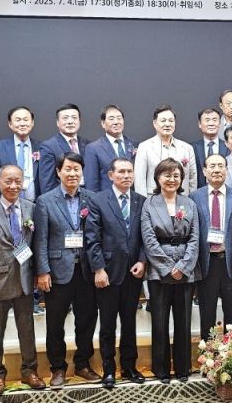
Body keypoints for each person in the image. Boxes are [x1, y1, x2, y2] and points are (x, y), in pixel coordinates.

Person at [0, 165, 46, 395]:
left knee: (27, 330)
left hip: (24, 279)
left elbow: (36, 243)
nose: (13, 186)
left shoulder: (31, 208)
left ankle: (30, 371)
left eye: (17, 181)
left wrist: (37, 273)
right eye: (8, 181)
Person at [34, 152, 101, 387]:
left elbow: (97, 235)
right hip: (57, 271)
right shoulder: (45, 201)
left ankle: (83, 364)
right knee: (55, 323)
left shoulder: (92, 199)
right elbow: (40, 240)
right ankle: (57, 368)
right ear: (58, 172)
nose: (72, 173)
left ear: (82, 172)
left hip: (86, 271)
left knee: (87, 320)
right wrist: (42, 271)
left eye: (76, 169)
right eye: (68, 169)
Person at [84, 158, 149, 388]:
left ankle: (129, 366)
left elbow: (146, 236)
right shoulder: (98, 200)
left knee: (129, 323)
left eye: (130, 171)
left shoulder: (141, 201)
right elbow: (92, 238)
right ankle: (109, 369)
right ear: (111, 175)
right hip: (108, 273)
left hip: (133, 272)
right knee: (108, 324)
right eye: (121, 171)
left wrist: (143, 261)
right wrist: (98, 269)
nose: (126, 175)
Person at [140, 158, 201, 384]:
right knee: (160, 322)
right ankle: (162, 369)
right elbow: (149, 240)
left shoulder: (189, 203)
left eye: (176, 175)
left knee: (183, 322)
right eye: (167, 175)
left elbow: (194, 238)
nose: (172, 179)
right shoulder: (149, 204)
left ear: (181, 179)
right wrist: (167, 267)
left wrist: (183, 266)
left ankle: (183, 368)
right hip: (159, 273)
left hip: (185, 271)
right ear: (158, 177)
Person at [191, 153, 232, 341]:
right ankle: (208, 352)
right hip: (206, 262)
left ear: (226, 170)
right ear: (204, 171)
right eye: (212, 166)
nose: (217, 170)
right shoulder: (194, 197)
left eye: (221, 166)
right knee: (207, 312)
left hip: (231, 262)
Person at [134, 105, 198, 196]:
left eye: (171, 121)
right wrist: (144, 203)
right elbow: (139, 180)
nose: (167, 124)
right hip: (153, 199)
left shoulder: (187, 148)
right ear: (155, 123)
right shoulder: (144, 147)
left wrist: (190, 201)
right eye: (163, 120)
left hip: (181, 200)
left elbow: (192, 179)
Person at [0, 106, 40, 201]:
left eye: (26, 120)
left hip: (35, 203)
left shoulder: (41, 147)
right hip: (6, 202)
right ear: (10, 124)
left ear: (32, 122)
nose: (22, 124)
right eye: (18, 120)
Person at [83, 105, 137, 193]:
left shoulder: (135, 145)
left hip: (132, 198)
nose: (116, 122)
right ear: (103, 123)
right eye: (111, 119)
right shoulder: (93, 148)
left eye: (119, 118)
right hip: (106, 199)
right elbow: (91, 184)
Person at [39, 103, 90, 192]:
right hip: (63, 197)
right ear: (57, 122)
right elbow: (47, 184)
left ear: (79, 121)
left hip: (87, 196)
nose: (70, 121)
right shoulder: (48, 147)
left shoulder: (88, 145)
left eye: (74, 117)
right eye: (65, 118)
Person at [192, 108, 230, 188]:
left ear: (220, 123)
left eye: (214, 120)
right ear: (199, 124)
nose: (211, 123)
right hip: (199, 192)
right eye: (207, 120)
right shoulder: (191, 148)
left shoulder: (229, 146)